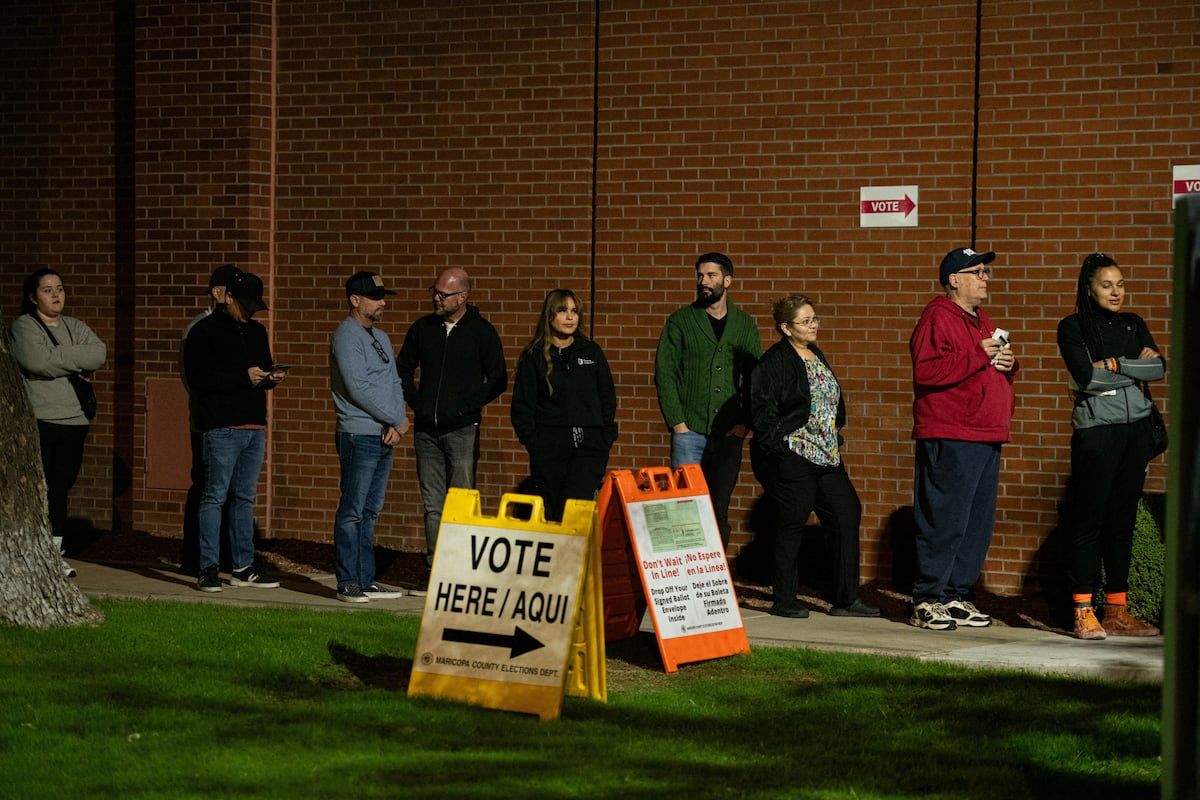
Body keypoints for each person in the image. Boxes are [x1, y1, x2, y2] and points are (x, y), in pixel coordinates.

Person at [749, 294, 879, 619]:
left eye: (814, 319)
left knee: (846, 512)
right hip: (794, 453)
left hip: (827, 455)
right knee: (792, 521)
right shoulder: (773, 362)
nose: (813, 325)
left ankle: (846, 600)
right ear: (785, 328)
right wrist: (779, 449)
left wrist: (835, 432)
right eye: (805, 321)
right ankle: (784, 599)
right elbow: (762, 411)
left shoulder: (814, 354)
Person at [908, 247, 1017, 631]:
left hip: (986, 433)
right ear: (955, 279)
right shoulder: (937, 315)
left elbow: (985, 365)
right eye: (978, 272)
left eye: (986, 271)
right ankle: (927, 598)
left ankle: (955, 594)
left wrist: (1008, 364)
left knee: (975, 522)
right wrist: (977, 355)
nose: (985, 278)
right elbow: (926, 371)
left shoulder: (981, 319)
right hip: (952, 432)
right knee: (946, 518)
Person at [1056, 253, 1163, 640]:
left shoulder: (1134, 324)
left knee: (1122, 523)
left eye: (1120, 285)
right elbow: (1086, 377)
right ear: (1089, 288)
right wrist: (1132, 365)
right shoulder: (1072, 328)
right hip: (1097, 433)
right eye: (1107, 285)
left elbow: (1159, 368)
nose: (1116, 292)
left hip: (1135, 431)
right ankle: (1083, 610)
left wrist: (1115, 366)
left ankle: (1116, 611)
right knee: (1090, 522)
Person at [396, 267, 507, 592]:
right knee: (433, 504)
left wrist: (465, 406)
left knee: (460, 502)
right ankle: (434, 569)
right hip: (426, 431)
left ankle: (459, 572)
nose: (436, 298)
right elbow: (403, 367)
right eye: (435, 291)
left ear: (462, 297)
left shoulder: (481, 332)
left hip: (462, 429)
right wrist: (417, 402)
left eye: (443, 294)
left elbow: (498, 377)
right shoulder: (423, 328)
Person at [183, 271, 285, 593]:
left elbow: (261, 368)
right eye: (245, 304)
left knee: (243, 498)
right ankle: (208, 568)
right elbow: (199, 379)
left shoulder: (257, 331)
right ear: (226, 297)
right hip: (222, 427)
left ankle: (243, 566)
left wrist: (269, 378)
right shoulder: (203, 331)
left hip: (254, 425)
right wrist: (244, 377)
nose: (249, 311)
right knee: (214, 496)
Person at [654, 252, 763, 548]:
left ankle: (715, 582)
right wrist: (678, 423)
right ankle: (683, 579)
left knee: (718, 509)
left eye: (711, 276)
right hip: (689, 431)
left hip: (729, 433)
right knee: (683, 508)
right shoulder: (681, 321)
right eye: (700, 275)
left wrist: (744, 423)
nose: (704, 281)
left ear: (727, 281)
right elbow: (665, 374)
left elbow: (756, 379)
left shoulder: (744, 324)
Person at [11, 268, 107, 578]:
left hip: (75, 420)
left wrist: (56, 358)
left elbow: (98, 354)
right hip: (41, 419)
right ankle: (34, 553)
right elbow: (34, 361)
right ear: (32, 296)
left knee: (60, 489)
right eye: (48, 290)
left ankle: (54, 554)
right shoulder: (24, 326)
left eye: (60, 288)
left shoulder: (75, 325)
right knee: (41, 487)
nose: (56, 295)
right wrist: (73, 359)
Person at [329, 271, 410, 603]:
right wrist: (395, 418)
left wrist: (397, 420)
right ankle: (347, 581)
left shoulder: (381, 337)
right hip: (357, 434)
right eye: (376, 297)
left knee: (370, 510)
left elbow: (393, 381)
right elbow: (357, 388)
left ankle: (365, 579)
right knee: (352, 510)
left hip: (382, 434)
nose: (383, 302)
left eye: (383, 296)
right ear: (355, 300)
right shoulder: (346, 337)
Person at [511, 289, 618, 522]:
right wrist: (535, 443)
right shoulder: (534, 356)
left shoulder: (591, 352)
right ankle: (556, 559)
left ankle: (577, 559)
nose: (570, 317)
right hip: (549, 447)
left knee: (577, 512)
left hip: (590, 447)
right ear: (550, 316)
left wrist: (603, 437)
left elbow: (607, 398)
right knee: (553, 513)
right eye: (562, 311)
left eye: (574, 311)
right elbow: (522, 406)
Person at [179, 264, 241, 575]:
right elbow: (194, 378)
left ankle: (224, 556)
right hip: (208, 422)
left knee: (228, 489)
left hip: (233, 422)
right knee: (206, 486)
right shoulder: (199, 328)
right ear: (218, 293)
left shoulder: (236, 327)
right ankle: (196, 557)